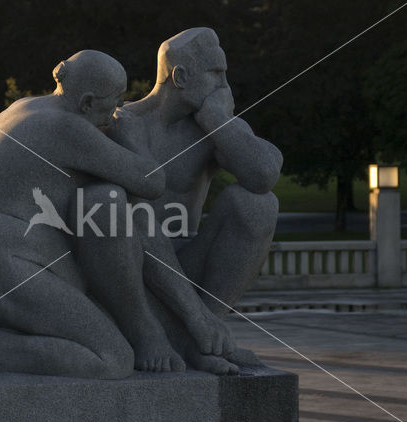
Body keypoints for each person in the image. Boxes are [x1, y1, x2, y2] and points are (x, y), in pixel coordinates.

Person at [0, 50, 168, 409]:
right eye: (114, 106)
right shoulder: (67, 127)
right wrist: (131, 136)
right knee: (112, 359)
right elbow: (152, 181)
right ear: (87, 102)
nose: (115, 115)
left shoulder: (22, 108)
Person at [98, 27, 283, 373]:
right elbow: (137, 223)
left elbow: (264, 175)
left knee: (258, 206)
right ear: (180, 77)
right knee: (131, 213)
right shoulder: (123, 125)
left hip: (190, 269)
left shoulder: (210, 126)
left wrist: (217, 120)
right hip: (131, 278)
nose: (225, 85)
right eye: (216, 73)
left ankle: (203, 337)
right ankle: (194, 330)